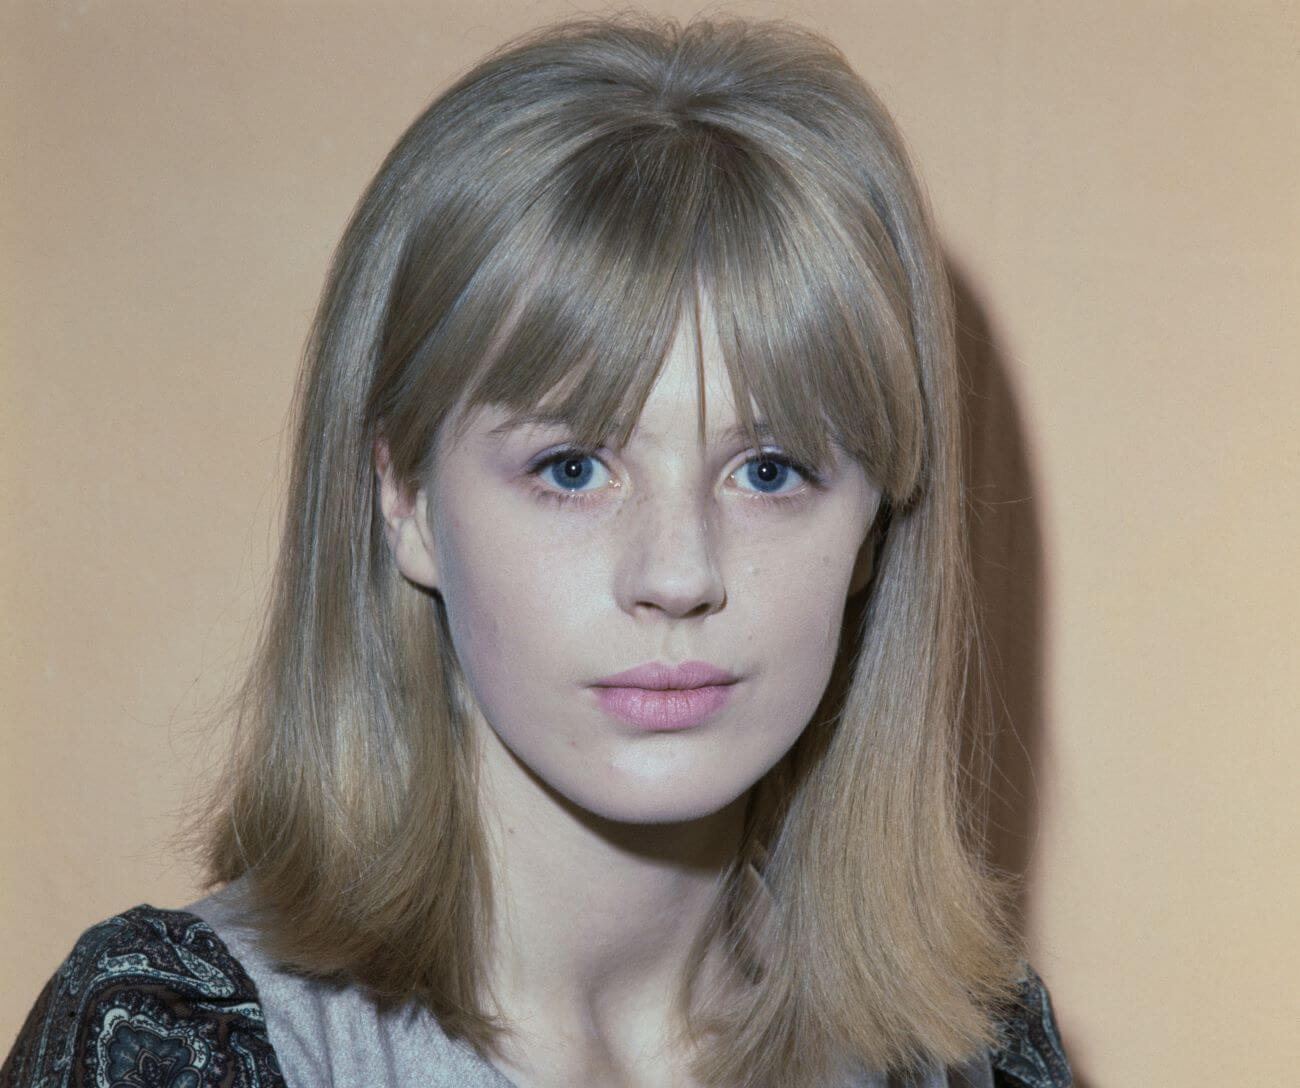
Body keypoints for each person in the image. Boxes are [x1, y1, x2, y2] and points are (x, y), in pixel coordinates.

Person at [3, 13, 1072, 1088]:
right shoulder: (172, 1044)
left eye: (768, 469)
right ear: (405, 497)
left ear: (875, 525)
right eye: (571, 467)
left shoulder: (973, 1053)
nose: (676, 574)